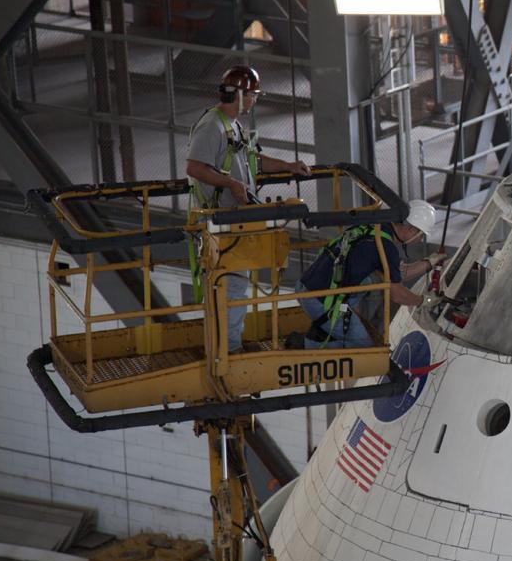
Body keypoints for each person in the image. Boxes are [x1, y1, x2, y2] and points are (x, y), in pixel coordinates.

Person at [185, 65, 311, 353]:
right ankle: (227, 350)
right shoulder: (212, 126)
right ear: (238, 95)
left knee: (235, 286)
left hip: (234, 221)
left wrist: (288, 166)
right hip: (220, 223)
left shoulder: (232, 125)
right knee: (230, 287)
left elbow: (252, 159)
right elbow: (194, 167)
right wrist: (230, 184)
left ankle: (229, 344)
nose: (254, 100)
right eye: (252, 94)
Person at [291, 200, 441, 349]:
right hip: (321, 301)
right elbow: (397, 295)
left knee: (372, 279)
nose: (421, 240)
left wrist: (430, 262)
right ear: (412, 230)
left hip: (307, 287)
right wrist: (423, 301)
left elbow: (396, 274)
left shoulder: (373, 227)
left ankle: (323, 329)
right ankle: (303, 345)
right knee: (363, 346)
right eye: (422, 235)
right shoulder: (386, 247)